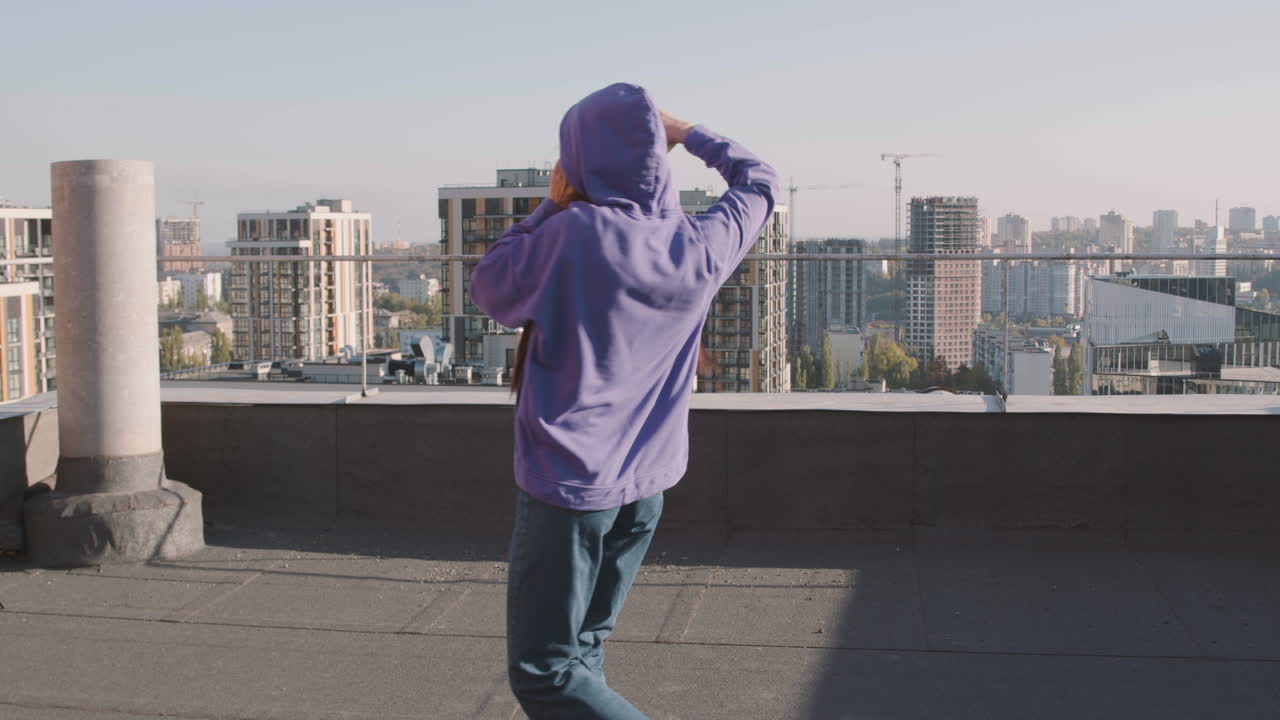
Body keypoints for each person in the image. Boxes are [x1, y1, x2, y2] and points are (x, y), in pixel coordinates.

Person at [470, 82, 778, 719]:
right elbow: (761, 182)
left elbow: (490, 286)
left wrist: (547, 208)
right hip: (646, 488)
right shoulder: (698, 243)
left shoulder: (571, 233)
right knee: (583, 649)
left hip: (571, 491)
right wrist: (690, 133)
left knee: (546, 674)